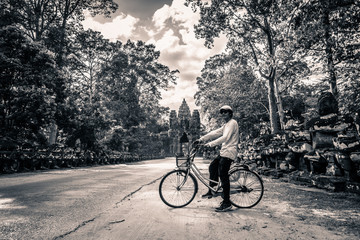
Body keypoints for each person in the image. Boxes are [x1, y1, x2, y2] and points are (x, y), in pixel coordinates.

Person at [195, 105, 239, 212]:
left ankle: (227, 203)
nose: (223, 114)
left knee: (223, 175)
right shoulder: (226, 125)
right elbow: (214, 133)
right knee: (213, 166)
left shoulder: (233, 123)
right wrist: (201, 139)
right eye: (222, 112)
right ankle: (213, 189)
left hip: (229, 152)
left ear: (230, 113)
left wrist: (210, 144)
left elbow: (225, 138)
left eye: (225, 112)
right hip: (224, 152)